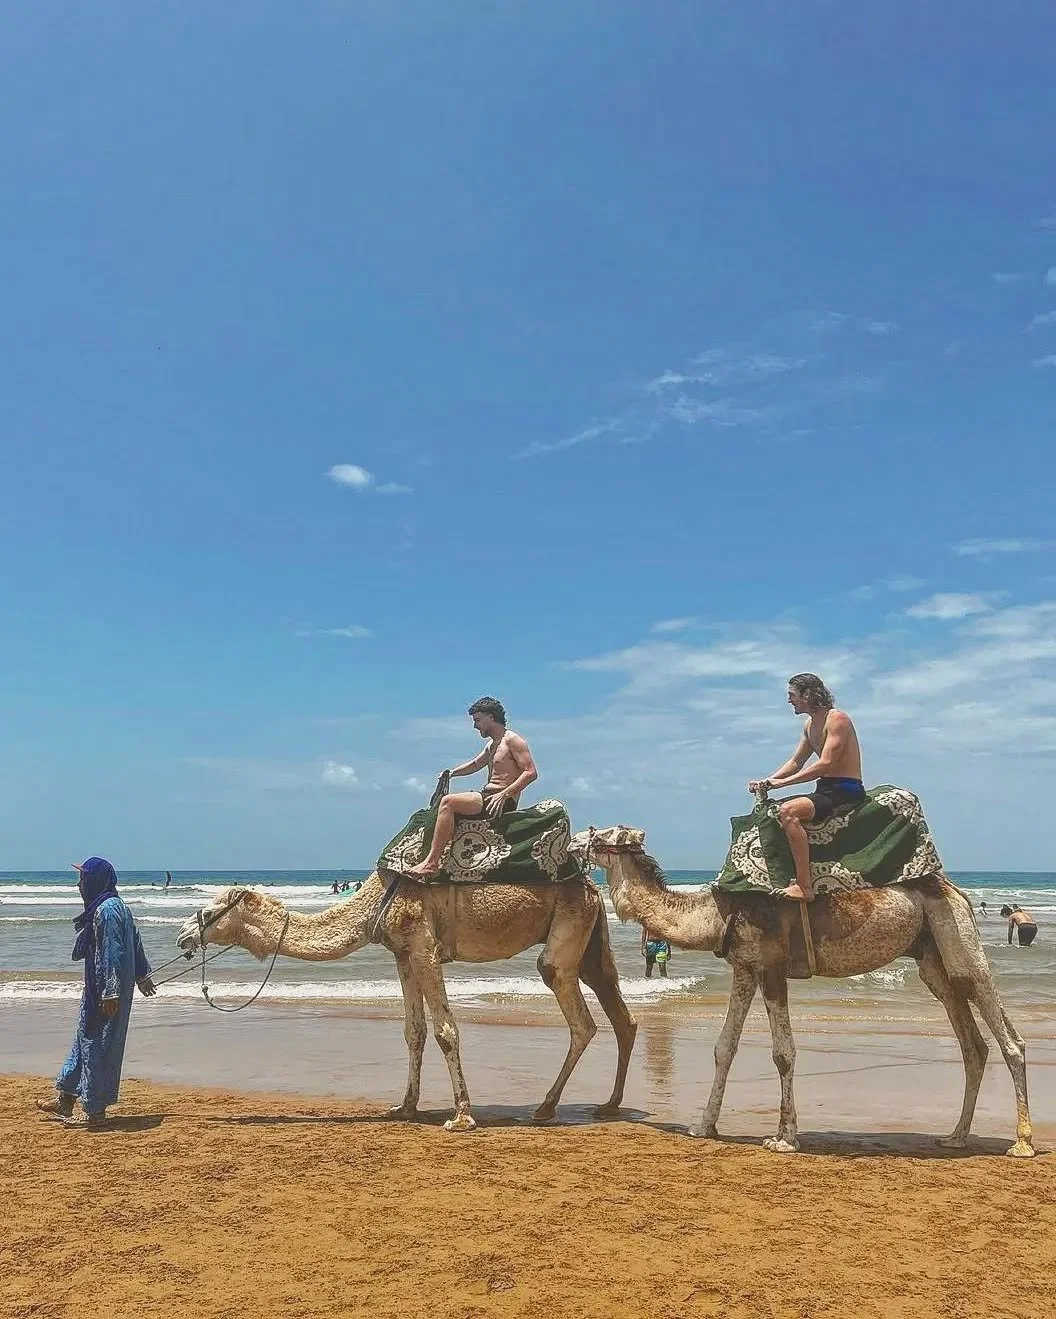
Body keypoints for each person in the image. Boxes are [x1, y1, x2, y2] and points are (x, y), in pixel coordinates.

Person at [36, 858, 156, 1127]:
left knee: (100, 1046)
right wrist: (141, 974)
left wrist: (111, 992)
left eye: (83, 879)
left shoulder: (107, 911)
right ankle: (65, 1099)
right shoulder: (113, 907)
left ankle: (94, 1110)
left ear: (95, 881)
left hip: (106, 993)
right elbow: (135, 942)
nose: (79, 884)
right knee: (85, 1039)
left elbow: (113, 952)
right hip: (98, 989)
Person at [748, 673, 865, 904]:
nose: (789, 700)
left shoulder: (837, 719)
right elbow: (796, 762)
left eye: (792, 695)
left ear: (808, 695)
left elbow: (825, 764)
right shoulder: (809, 725)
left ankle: (804, 886)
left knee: (788, 811)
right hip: (825, 789)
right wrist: (768, 781)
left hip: (845, 789)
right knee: (773, 811)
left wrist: (782, 784)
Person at [406, 697, 538, 877]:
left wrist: (506, 794)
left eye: (477, 720)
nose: (475, 726)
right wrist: (451, 773)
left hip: (500, 801)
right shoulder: (492, 744)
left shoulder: (513, 740)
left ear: (491, 717)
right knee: (436, 810)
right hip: (487, 795)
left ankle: (431, 863)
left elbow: (530, 772)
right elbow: (476, 764)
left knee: (448, 802)